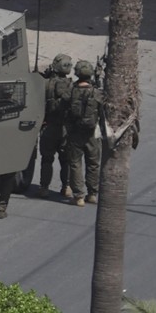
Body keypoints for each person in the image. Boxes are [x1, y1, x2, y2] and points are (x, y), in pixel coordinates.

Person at [65, 59, 103, 207]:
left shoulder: (72, 91)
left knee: (75, 164)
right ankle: (92, 194)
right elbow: (102, 110)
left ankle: (79, 196)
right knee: (93, 163)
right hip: (92, 133)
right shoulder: (96, 92)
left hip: (75, 132)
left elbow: (63, 104)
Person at [37, 53, 74, 198]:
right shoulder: (72, 86)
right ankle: (67, 187)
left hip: (48, 127)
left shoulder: (45, 84)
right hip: (65, 128)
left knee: (47, 159)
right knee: (66, 160)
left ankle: (44, 187)